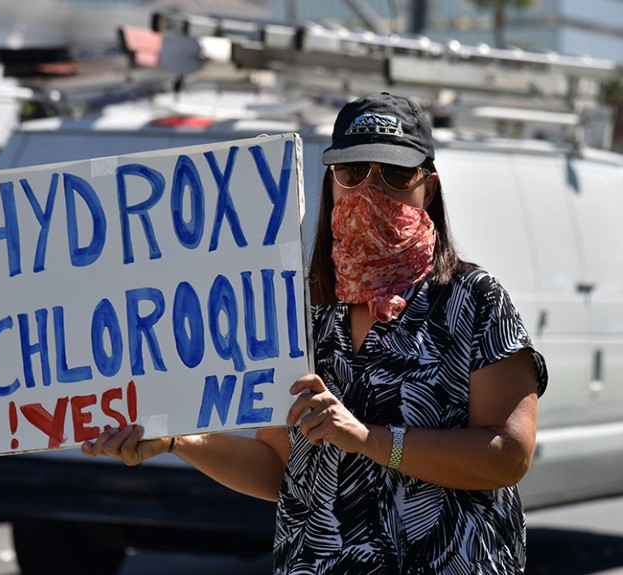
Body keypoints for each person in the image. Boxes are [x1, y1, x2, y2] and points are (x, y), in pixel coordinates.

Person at [82, 92, 548, 574]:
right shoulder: (306, 312)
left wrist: (369, 439)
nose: (372, 191)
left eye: (394, 174)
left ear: (427, 189)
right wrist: (179, 441)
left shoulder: (474, 300)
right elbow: (279, 468)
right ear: (331, 185)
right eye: (353, 173)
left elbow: (509, 456)